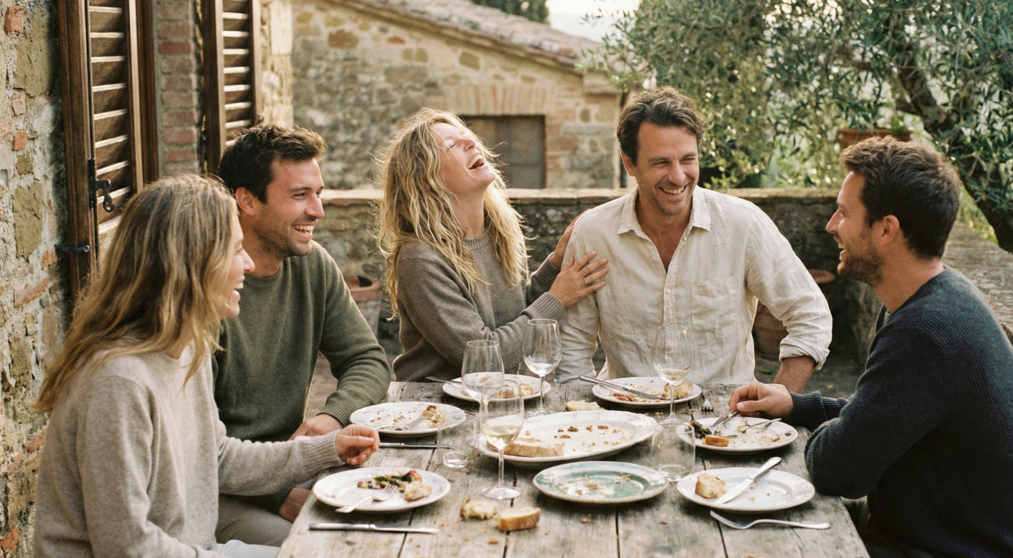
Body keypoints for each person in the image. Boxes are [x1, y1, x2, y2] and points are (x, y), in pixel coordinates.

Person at [33, 176, 380, 558]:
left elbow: (218, 458)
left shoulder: (187, 346)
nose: (248, 264)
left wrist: (326, 449)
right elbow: (127, 546)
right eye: (235, 250)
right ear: (189, 263)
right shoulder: (118, 382)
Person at [729, 137, 1013, 557]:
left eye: (844, 213)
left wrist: (839, 435)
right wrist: (795, 404)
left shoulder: (925, 332)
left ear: (886, 229)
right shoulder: (932, 296)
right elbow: (880, 414)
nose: (830, 225)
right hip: (910, 527)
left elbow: (836, 469)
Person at [557, 87, 831, 392]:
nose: (678, 177)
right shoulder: (594, 233)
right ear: (629, 164)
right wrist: (591, 420)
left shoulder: (743, 223)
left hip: (728, 419)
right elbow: (572, 349)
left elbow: (810, 314)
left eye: (688, 159)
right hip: (627, 415)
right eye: (661, 163)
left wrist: (781, 400)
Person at [214, 125, 392, 545]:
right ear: (247, 200)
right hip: (224, 487)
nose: (317, 211)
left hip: (298, 465)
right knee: (335, 546)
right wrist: (280, 494)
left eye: (318, 193)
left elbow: (368, 359)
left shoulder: (313, 266)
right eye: (299, 196)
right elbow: (199, 449)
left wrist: (332, 416)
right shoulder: (210, 291)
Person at [376, 109, 608, 381]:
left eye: (467, 137)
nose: (471, 143)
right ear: (428, 178)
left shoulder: (498, 232)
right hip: (433, 407)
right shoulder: (421, 259)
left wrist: (555, 266)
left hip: (492, 398)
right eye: (453, 145)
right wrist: (557, 298)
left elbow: (512, 316)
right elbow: (484, 357)